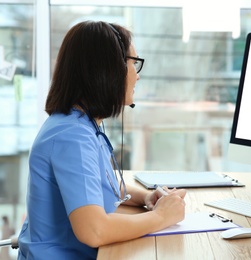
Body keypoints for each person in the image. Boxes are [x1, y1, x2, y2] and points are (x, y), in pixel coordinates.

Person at [18, 21, 186, 259]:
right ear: (108, 69)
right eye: (133, 63)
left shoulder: (80, 124)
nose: (136, 76)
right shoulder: (72, 136)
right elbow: (93, 231)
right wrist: (161, 217)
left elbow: (100, 182)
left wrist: (147, 198)